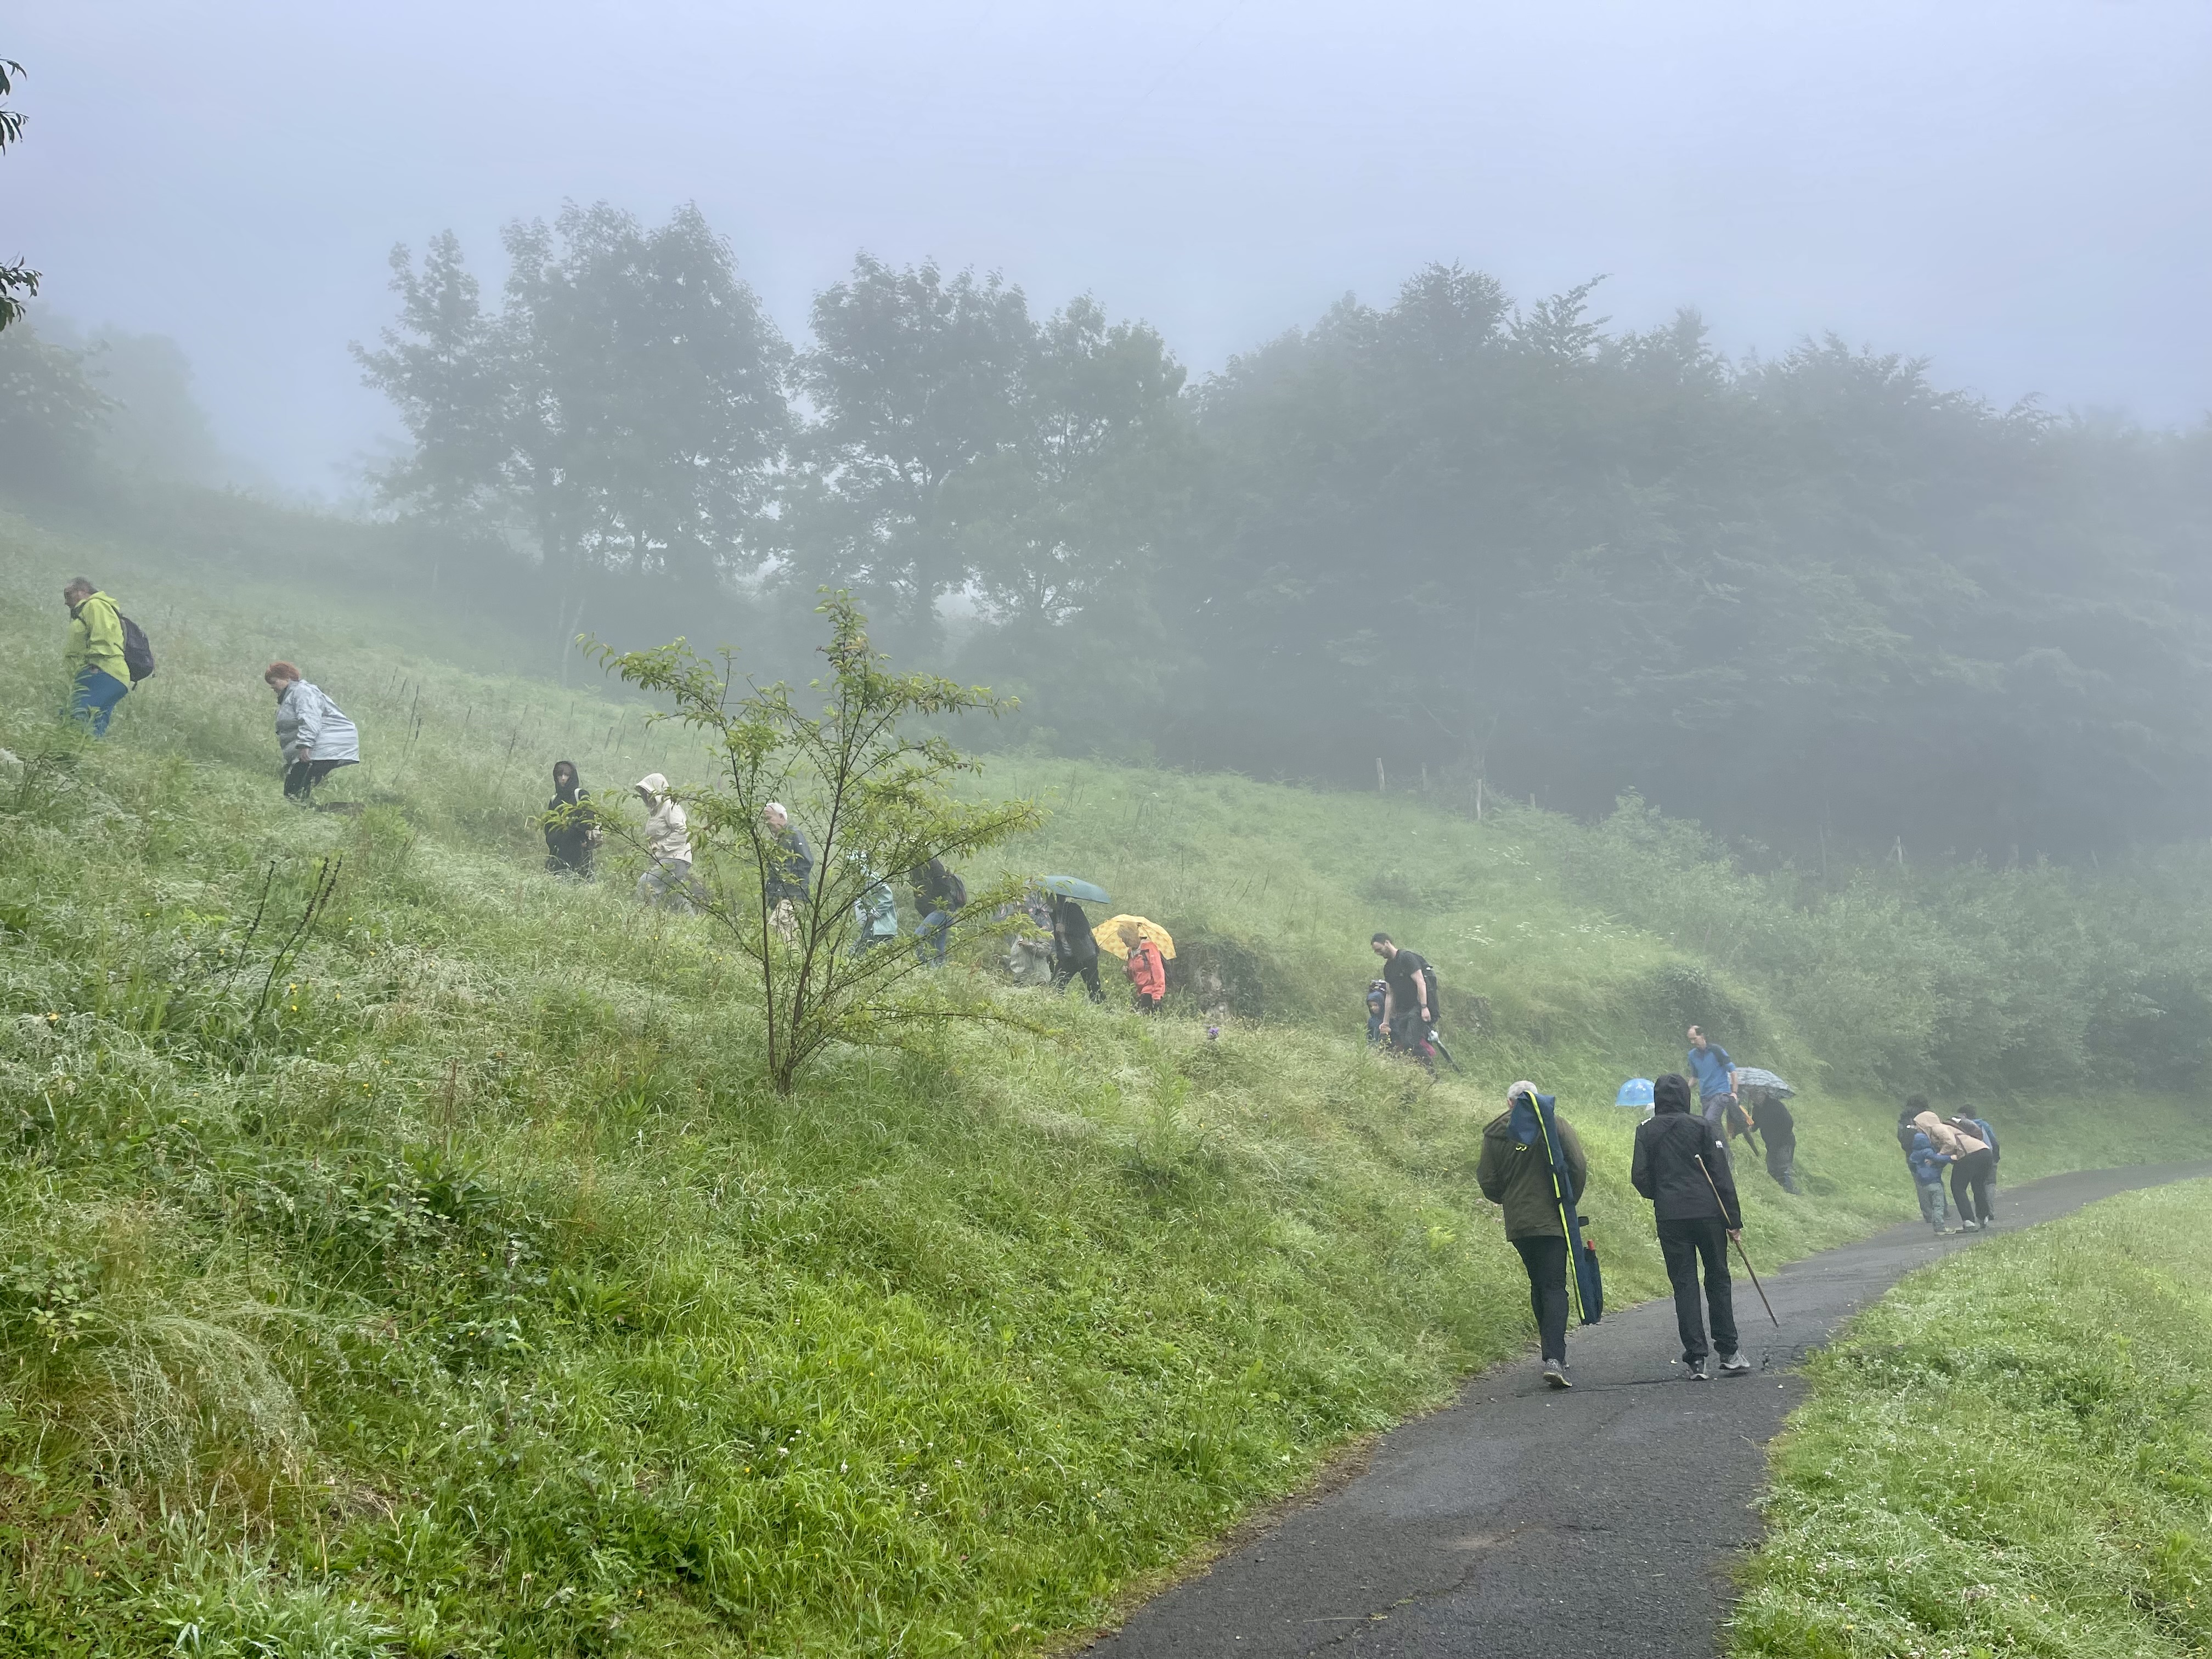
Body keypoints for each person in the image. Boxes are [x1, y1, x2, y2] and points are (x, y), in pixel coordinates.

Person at [1632, 1073, 1747, 1380]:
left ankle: (1696, 1359)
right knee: (1718, 1278)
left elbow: (1639, 1178)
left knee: (1684, 1283)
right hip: (1709, 1214)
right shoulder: (1704, 1126)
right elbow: (1721, 1174)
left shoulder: (1646, 1131)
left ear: (1658, 1098)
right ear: (1686, 1096)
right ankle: (1729, 1351)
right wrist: (1733, 1221)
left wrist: (1663, 1194)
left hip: (1671, 1217)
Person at [1477, 1081, 1588, 1389]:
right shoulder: (1554, 1124)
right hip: (1553, 1220)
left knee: (1538, 1283)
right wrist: (1568, 1200)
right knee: (1554, 1285)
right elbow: (1578, 1166)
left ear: (1510, 1103)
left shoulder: (1495, 1133)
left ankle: (1549, 1353)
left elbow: (1488, 1181)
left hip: (1519, 1224)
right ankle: (1555, 1357)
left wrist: (1509, 1199)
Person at [266, 662, 360, 803]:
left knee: (295, 793)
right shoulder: (292, 695)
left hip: (324, 746)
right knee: (295, 792)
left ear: (287, 678)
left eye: (274, 682)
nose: (272, 687)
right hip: (321, 746)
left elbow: (310, 718)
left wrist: (306, 745)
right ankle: (332, 812)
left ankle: (343, 812)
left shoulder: (302, 692)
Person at [61, 577, 130, 736]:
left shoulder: (95, 604)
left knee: (75, 714)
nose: (66, 602)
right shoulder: (92, 608)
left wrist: (94, 665)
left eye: (68, 595)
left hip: (103, 670)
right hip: (114, 675)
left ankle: (67, 756)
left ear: (83, 591)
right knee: (95, 722)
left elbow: (104, 635)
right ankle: (89, 756)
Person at [1916, 1109, 1995, 1231]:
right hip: (1985, 1153)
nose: (1917, 1129)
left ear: (1925, 1123)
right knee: (1978, 1186)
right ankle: (1983, 1217)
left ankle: (1969, 1222)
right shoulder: (1948, 1128)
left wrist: (1937, 1157)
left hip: (1969, 1154)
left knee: (1958, 1187)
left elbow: (1951, 1143)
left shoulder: (1938, 1128)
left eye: (1918, 1125)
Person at [1370, 934, 1436, 1070]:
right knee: (1405, 1044)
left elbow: (1420, 982)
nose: (1378, 953)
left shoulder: (1406, 958)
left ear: (1387, 943)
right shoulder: (1388, 968)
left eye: (1379, 949)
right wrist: (1386, 1021)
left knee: (1412, 1043)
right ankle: (1417, 1072)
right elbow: (1390, 994)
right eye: (1376, 952)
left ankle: (1432, 1075)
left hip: (1417, 1007)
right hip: (1402, 1010)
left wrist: (1424, 1007)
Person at [634, 774, 695, 910]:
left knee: (646, 884)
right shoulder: (656, 810)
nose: (644, 796)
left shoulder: (670, 807)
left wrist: (661, 846)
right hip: (667, 858)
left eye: (647, 792)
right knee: (677, 896)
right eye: (643, 793)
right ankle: (692, 924)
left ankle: (646, 918)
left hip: (675, 858)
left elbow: (684, 832)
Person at [761, 803, 812, 944]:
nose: (766, 823)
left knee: (778, 925)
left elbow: (806, 862)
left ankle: (794, 960)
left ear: (782, 817)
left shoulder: (794, 834)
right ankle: (795, 962)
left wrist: (791, 884)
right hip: (781, 896)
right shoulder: (778, 840)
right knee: (785, 934)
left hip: (793, 895)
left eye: (769, 818)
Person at [543, 760, 600, 877]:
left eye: (567, 775)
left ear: (572, 776)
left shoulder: (580, 794)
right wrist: (553, 840)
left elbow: (590, 818)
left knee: (581, 881)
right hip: (558, 852)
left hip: (579, 850)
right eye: (560, 775)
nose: (563, 779)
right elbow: (549, 826)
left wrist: (581, 836)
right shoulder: (555, 799)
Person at [1743, 1084, 1800, 1194]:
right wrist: (1750, 1127)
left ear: (1764, 1094)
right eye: (1752, 1095)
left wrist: (1778, 1138)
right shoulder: (1757, 1109)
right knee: (1772, 1169)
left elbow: (1789, 1123)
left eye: (1756, 1094)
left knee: (1783, 1169)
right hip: (1771, 1144)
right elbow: (1756, 1125)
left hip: (1785, 1143)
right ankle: (1783, 1191)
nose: (1754, 1097)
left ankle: (1791, 1192)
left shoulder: (1776, 1105)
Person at [1049, 893, 1104, 1002]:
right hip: (1067, 958)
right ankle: (1055, 1008)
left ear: (1057, 899)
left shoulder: (1073, 909)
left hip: (1085, 956)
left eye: (1050, 899)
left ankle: (1101, 1006)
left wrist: (1066, 929)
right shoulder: (1053, 915)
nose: (1047, 902)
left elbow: (1084, 930)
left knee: (1094, 987)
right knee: (1055, 985)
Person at [911, 859, 962, 966]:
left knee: (918, 939)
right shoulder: (915, 867)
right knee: (937, 946)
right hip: (939, 910)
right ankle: (938, 975)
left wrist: (928, 896)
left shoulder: (932, 863)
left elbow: (945, 886)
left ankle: (927, 970)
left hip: (943, 909)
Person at [1685, 1026, 1737, 1132]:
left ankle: (1724, 1148)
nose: (1693, 1042)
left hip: (1720, 1093)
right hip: (1705, 1097)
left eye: (1695, 1039)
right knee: (1710, 1127)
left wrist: (1734, 1092)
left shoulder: (1716, 1050)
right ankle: (1722, 1148)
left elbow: (1732, 1070)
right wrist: (1684, 1088)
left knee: (1710, 1121)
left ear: (1702, 1036)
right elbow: (1695, 1077)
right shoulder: (1692, 1055)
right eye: (1691, 1040)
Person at [1906, 1129, 1954, 1234]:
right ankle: (1940, 1227)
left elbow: (1913, 1167)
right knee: (1938, 1205)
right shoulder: (1927, 1151)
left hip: (1923, 1184)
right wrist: (1951, 1158)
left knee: (1932, 1206)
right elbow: (1937, 1158)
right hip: (1934, 1182)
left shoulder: (1914, 1155)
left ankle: (1935, 1225)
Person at [851, 858, 900, 953]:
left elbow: (888, 897)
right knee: (856, 952)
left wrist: (875, 912)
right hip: (873, 927)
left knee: (857, 952)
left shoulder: (872, 879)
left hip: (883, 928)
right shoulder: (860, 880)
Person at [1122, 921, 1167, 1013]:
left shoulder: (1149, 948)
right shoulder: (1131, 952)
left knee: (1143, 1016)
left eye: (1124, 938)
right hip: (1141, 992)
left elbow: (1158, 971)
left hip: (1151, 991)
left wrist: (1157, 995)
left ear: (1130, 937)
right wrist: (1128, 973)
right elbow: (1135, 977)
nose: (1123, 941)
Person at [1366, 979, 1389, 1046]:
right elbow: (1369, 1035)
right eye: (1371, 1006)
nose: (1373, 1008)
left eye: (1376, 1005)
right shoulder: (1371, 1020)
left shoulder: (1387, 1020)